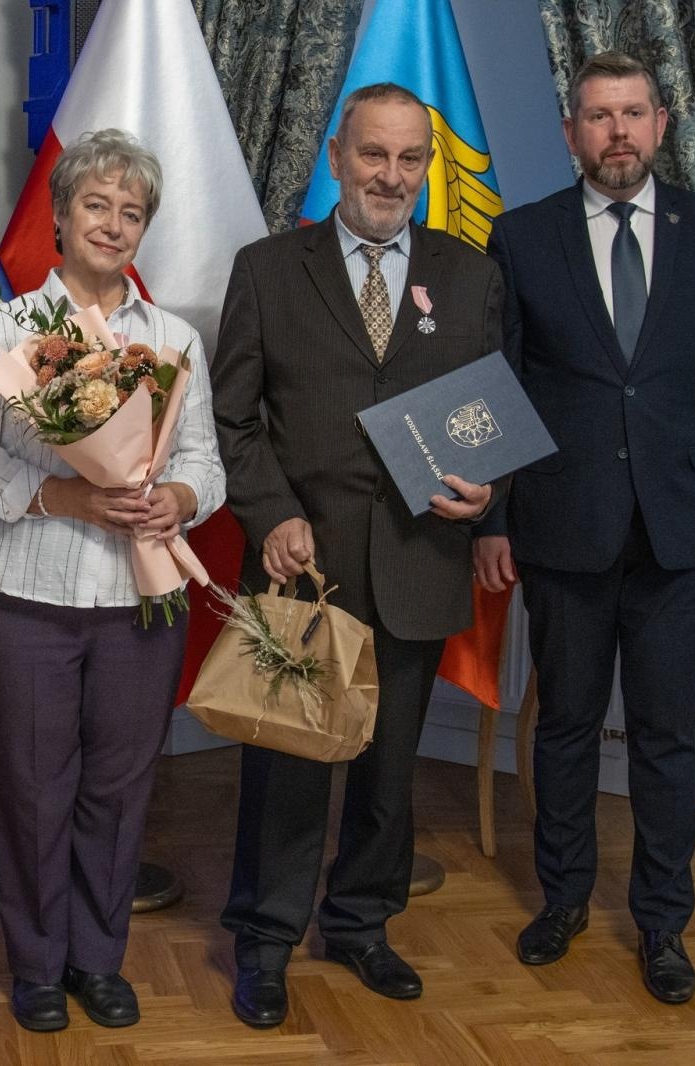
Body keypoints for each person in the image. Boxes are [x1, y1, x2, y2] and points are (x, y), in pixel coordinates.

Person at [473, 52, 695, 1004]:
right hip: (561, 525)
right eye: (598, 116)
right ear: (572, 133)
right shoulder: (522, 238)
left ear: (661, 124)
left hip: (685, 529)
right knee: (563, 725)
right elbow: (498, 385)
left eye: (632, 113)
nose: (617, 131)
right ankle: (562, 900)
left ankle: (663, 923)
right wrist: (490, 519)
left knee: (664, 734)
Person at [211, 83, 504, 1026]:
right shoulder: (265, 268)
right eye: (373, 155)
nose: (391, 175)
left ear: (426, 167)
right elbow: (234, 419)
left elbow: (482, 416)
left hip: (420, 560)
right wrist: (270, 516)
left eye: (410, 160)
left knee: (389, 769)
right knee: (291, 765)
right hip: (307, 566)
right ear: (336, 155)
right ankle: (263, 940)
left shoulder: (469, 275)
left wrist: (488, 487)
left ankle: (361, 925)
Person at [0, 128, 225, 1033]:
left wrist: (176, 495)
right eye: (96, 205)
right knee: (28, 786)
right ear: (59, 217)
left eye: (130, 211)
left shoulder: (174, 338)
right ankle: (36, 961)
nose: (113, 223)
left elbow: (207, 463)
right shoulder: (8, 328)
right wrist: (59, 495)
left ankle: (98, 961)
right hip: (18, 596)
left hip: (139, 601)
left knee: (118, 786)